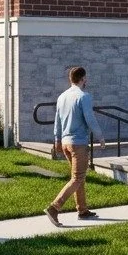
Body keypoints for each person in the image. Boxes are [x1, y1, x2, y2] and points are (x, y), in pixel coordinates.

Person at [44, 66, 106, 226]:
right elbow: (90, 119)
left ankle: (83, 210)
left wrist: (57, 139)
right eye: (86, 78)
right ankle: (54, 208)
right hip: (78, 143)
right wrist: (100, 136)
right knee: (77, 178)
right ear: (83, 79)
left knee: (78, 178)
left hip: (65, 142)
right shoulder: (84, 96)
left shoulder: (62, 97)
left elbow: (57, 120)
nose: (87, 80)